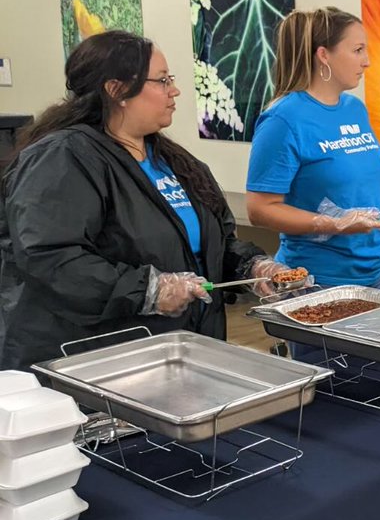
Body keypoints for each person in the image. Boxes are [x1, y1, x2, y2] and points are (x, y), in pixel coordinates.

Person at [0, 31, 290, 369]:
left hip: (182, 349)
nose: (175, 91)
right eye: (162, 81)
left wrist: (253, 266)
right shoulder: (63, 159)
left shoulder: (174, 161)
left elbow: (212, 242)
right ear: (117, 90)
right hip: (98, 361)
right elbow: (52, 259)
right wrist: (148, 290)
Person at [246, 7, 380, 291]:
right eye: (357, 50)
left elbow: (343, 187)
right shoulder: (283, 119)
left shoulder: (354, 109)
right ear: (324, 55)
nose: (367, 62)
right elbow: (260, 209)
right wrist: (332, 223)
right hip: (320, 281)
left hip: (375, 274)